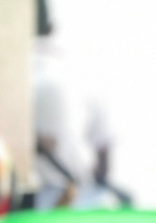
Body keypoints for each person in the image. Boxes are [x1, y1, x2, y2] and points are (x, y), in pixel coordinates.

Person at [32, 0, 119, 209]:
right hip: (80, 203)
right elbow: (104, 148)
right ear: (51, 28)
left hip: (22, 208)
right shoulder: (81, 72)